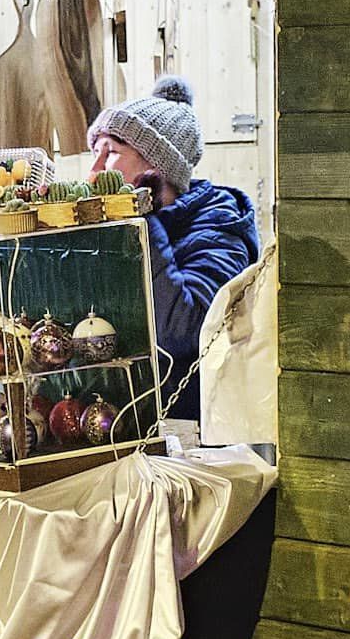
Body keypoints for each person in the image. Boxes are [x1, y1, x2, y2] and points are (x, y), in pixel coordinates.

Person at [86, 75, 261, 420]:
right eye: (95, 152)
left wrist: (142, 221)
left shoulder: (220, 228)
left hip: (187, 429)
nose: (93, 171)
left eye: (112, 153)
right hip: (117, 418)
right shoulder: (115, 225)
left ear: (157, 167)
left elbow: (181, 332)